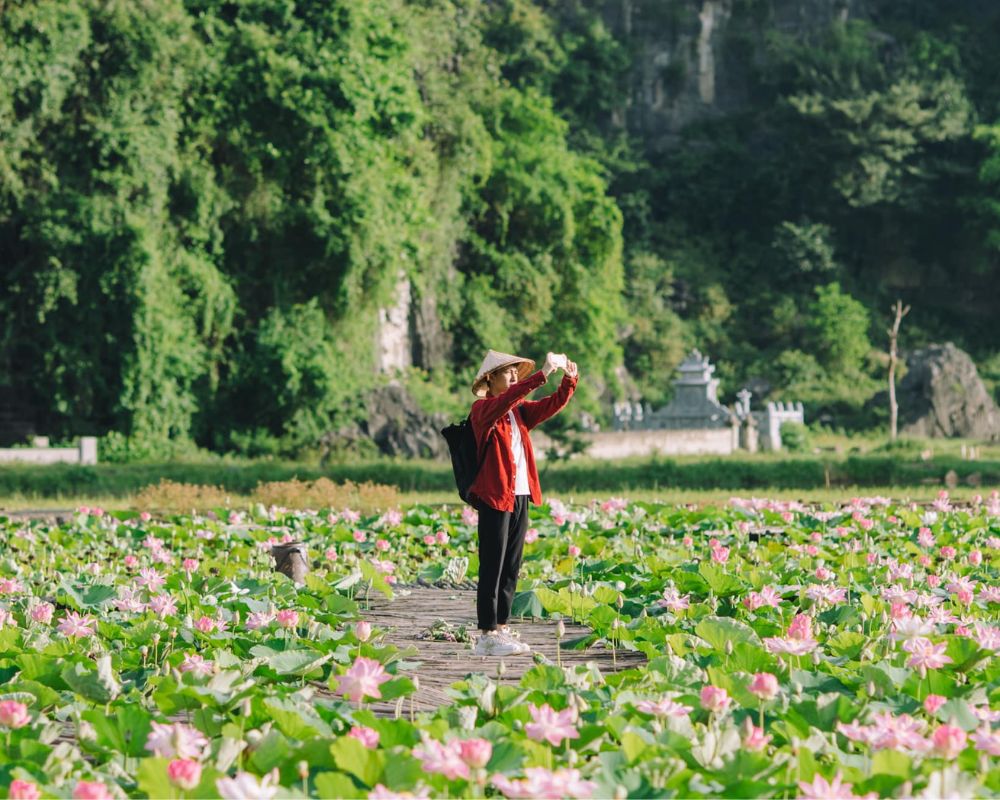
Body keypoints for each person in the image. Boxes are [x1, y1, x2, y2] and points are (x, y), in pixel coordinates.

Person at [466, 349, 578, 657]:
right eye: (507, 372)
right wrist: (541, 374)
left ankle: (501, 627)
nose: (515, 376)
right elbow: (507, 399)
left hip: (520, 493)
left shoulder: (518, 412)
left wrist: (569, 381)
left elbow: (549, 405)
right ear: (490, 379)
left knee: (512, 565)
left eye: (517, 372)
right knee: (493, 563)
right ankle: (486, 633)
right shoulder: (483, 409)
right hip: (495, 495)